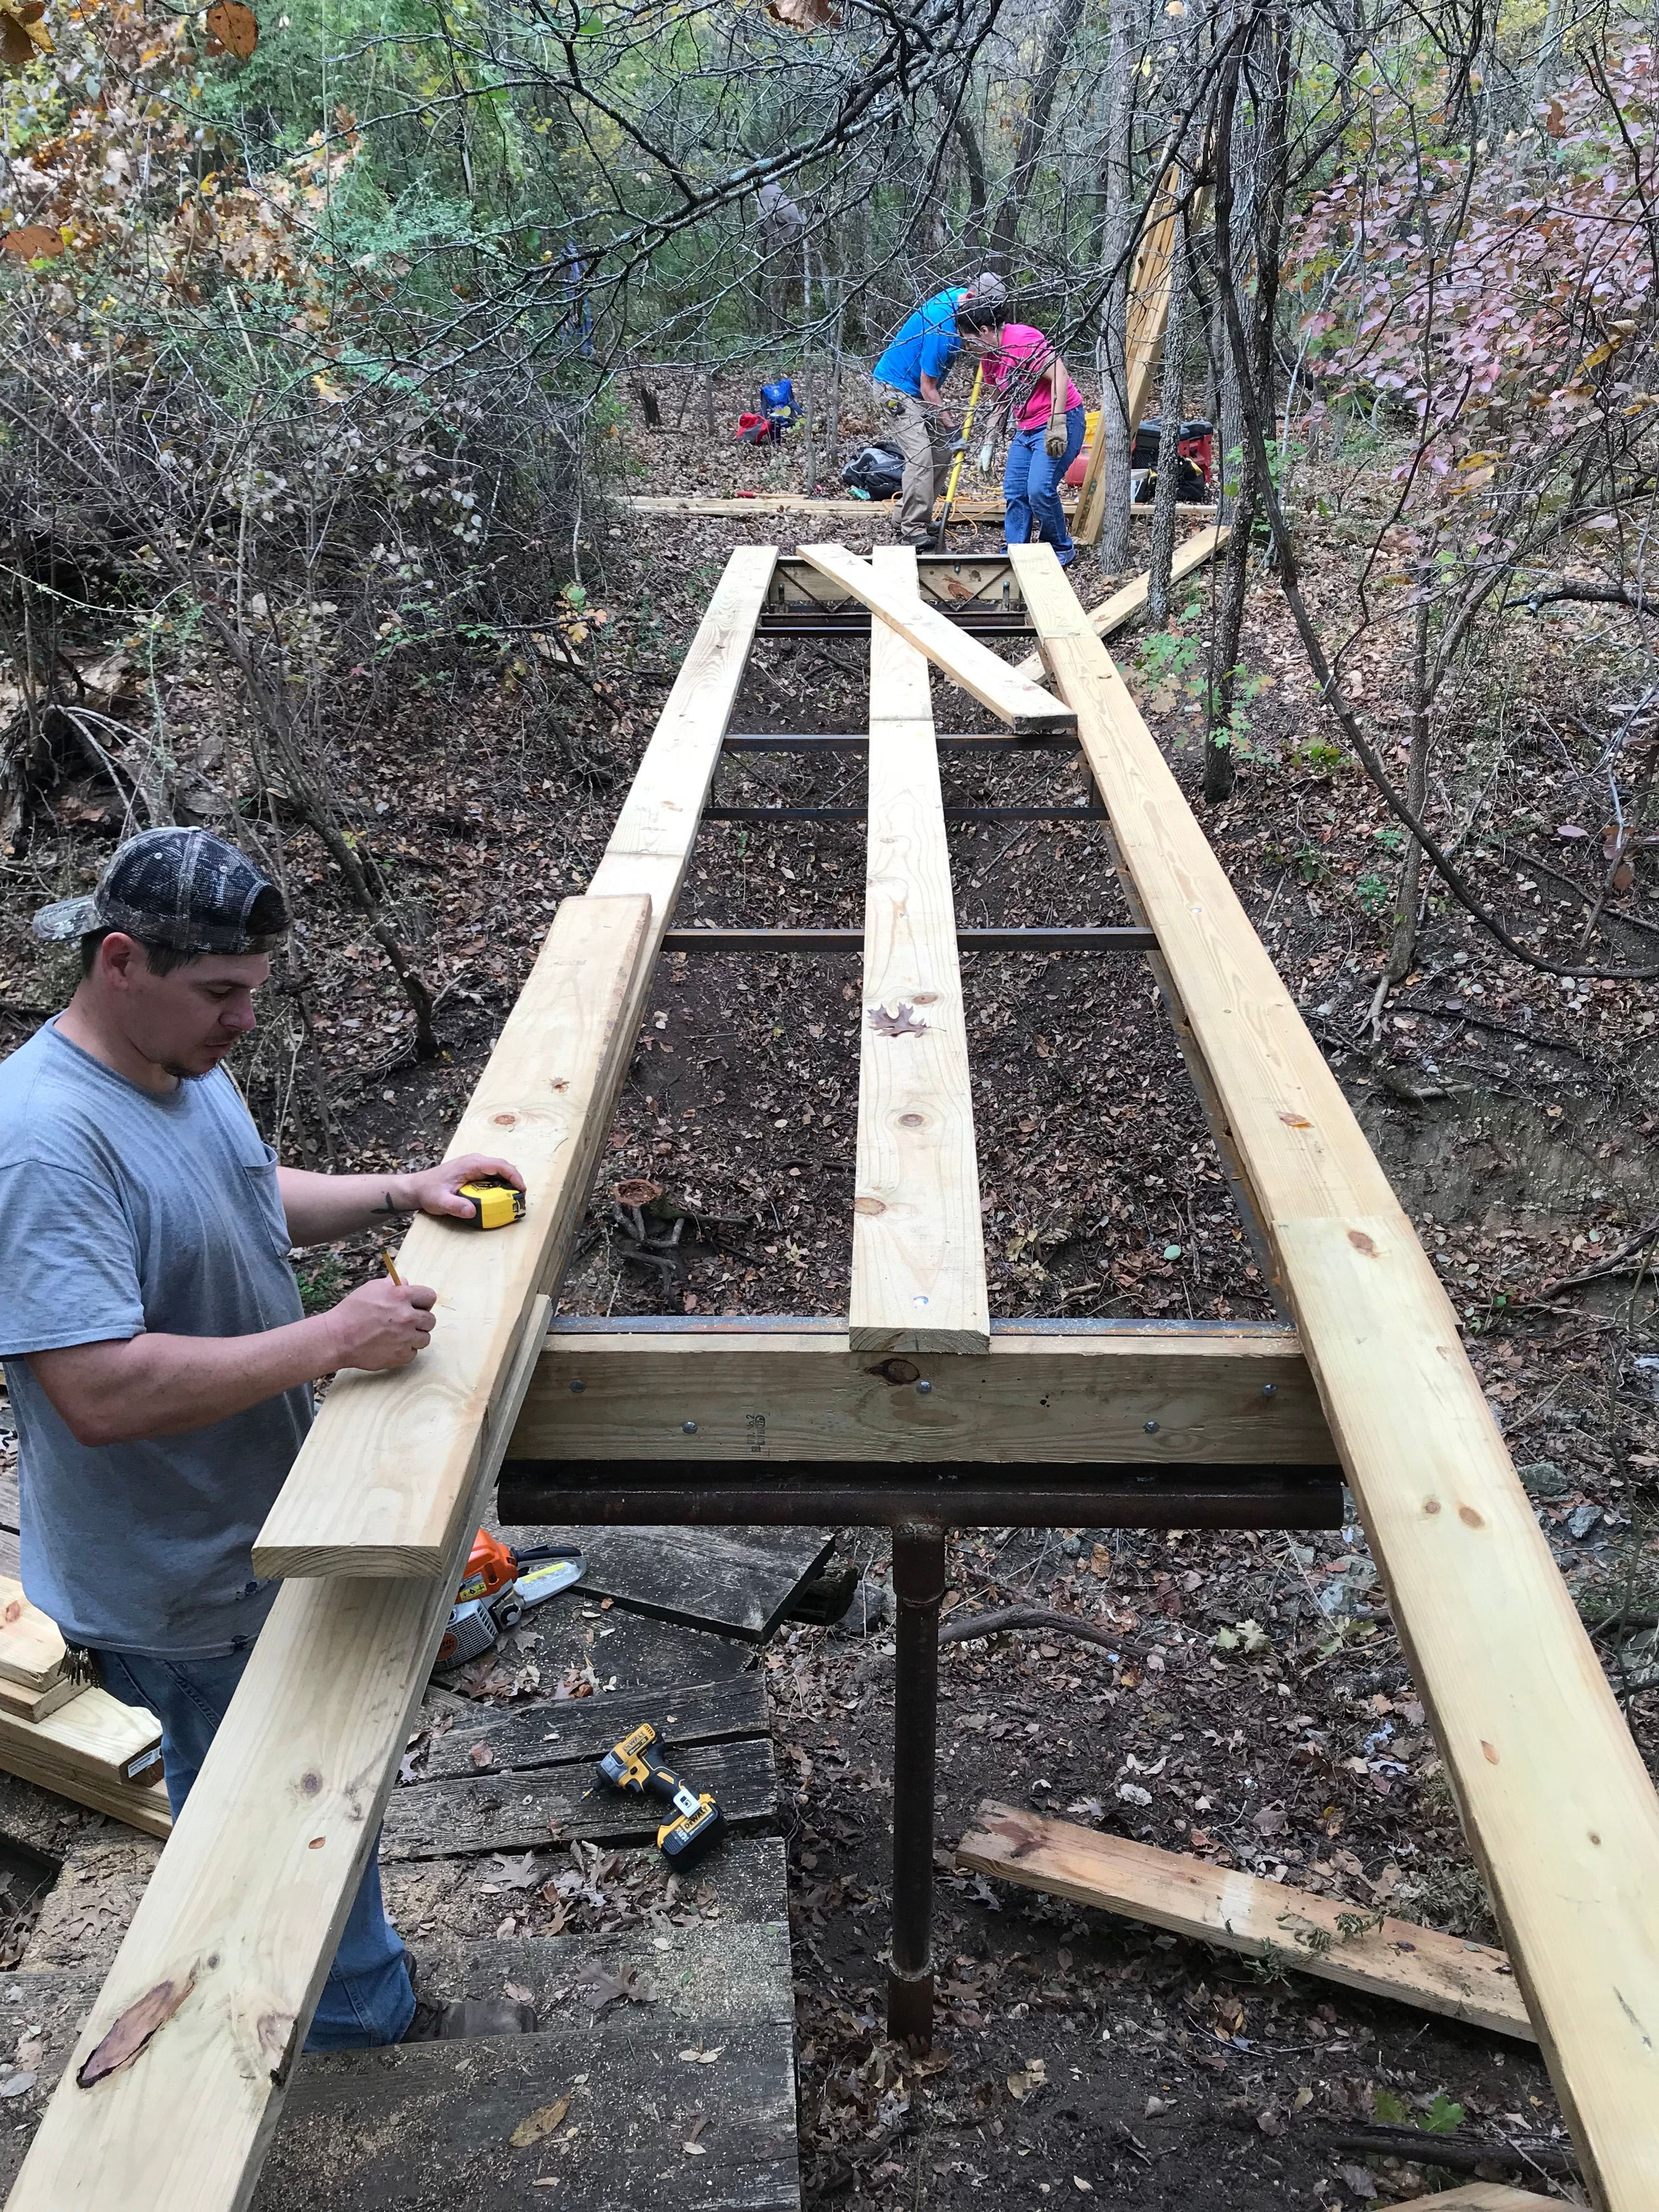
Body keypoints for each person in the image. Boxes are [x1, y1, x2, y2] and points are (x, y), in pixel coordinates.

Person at [0, 827, 529, 2048]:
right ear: (119, 959)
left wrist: (401, 1191)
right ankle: (345, 2052)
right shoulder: (40, 1144)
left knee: (290, 1801)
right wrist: (332, 1341)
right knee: (283, 1826)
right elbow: (99, 1389)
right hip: (180, 1583)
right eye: (221, 994)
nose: (244, 1021)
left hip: (252, 1538)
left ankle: (322, 2001)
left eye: (254, 993)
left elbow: (240, 1189)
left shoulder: (175, 1063)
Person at [871, 270, 1007, 548]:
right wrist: (951, 425)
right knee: (921, 456)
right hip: (895, 389)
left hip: (919, 389)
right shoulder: (942, 327)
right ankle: (913, 529)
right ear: (971, 298)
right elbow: (928, 388)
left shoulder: (962, 304)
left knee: (942, 452)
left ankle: (906, 516)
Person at [958, 305, 1087, 567]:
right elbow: (1000, 401)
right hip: (1026, 426)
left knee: (1039, 489)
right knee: (1016, 491)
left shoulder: (1022, 341)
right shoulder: (989, 358)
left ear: (984, 332)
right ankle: (1016, 548)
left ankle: (1060, 548)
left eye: (969, 341)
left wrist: (1057, 422)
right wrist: (989, 443)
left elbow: (1059, 375)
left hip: (1061, 418)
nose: (968, 348)